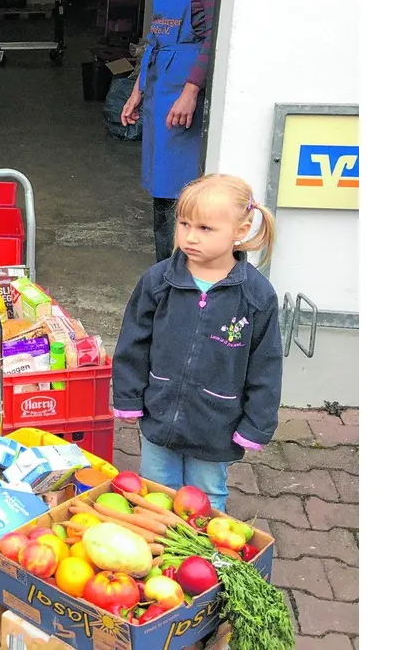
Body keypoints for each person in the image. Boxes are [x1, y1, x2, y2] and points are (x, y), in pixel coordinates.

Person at [110, 174, 283, 513]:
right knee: (156, 492)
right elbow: (133, 342)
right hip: (160, 412)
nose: (190, 236)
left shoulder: (256, 296)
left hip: (217, 423)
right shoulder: (159, 281)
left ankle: (201, 544)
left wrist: (257, 424)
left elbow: (266, 365)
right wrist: (128, 396)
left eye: (205, 228)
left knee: (206, 497)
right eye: (184, 224)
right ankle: (161, 544)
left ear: (240, 230)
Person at [120, 0, 224, 263]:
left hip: (184, 85)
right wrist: (138, 88)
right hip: (159, 85)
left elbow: (212, 35)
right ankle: (165, 269)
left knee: (183, 190)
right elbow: (157, 32)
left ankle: (181, 271)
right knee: (161, 188)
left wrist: (192, 90)